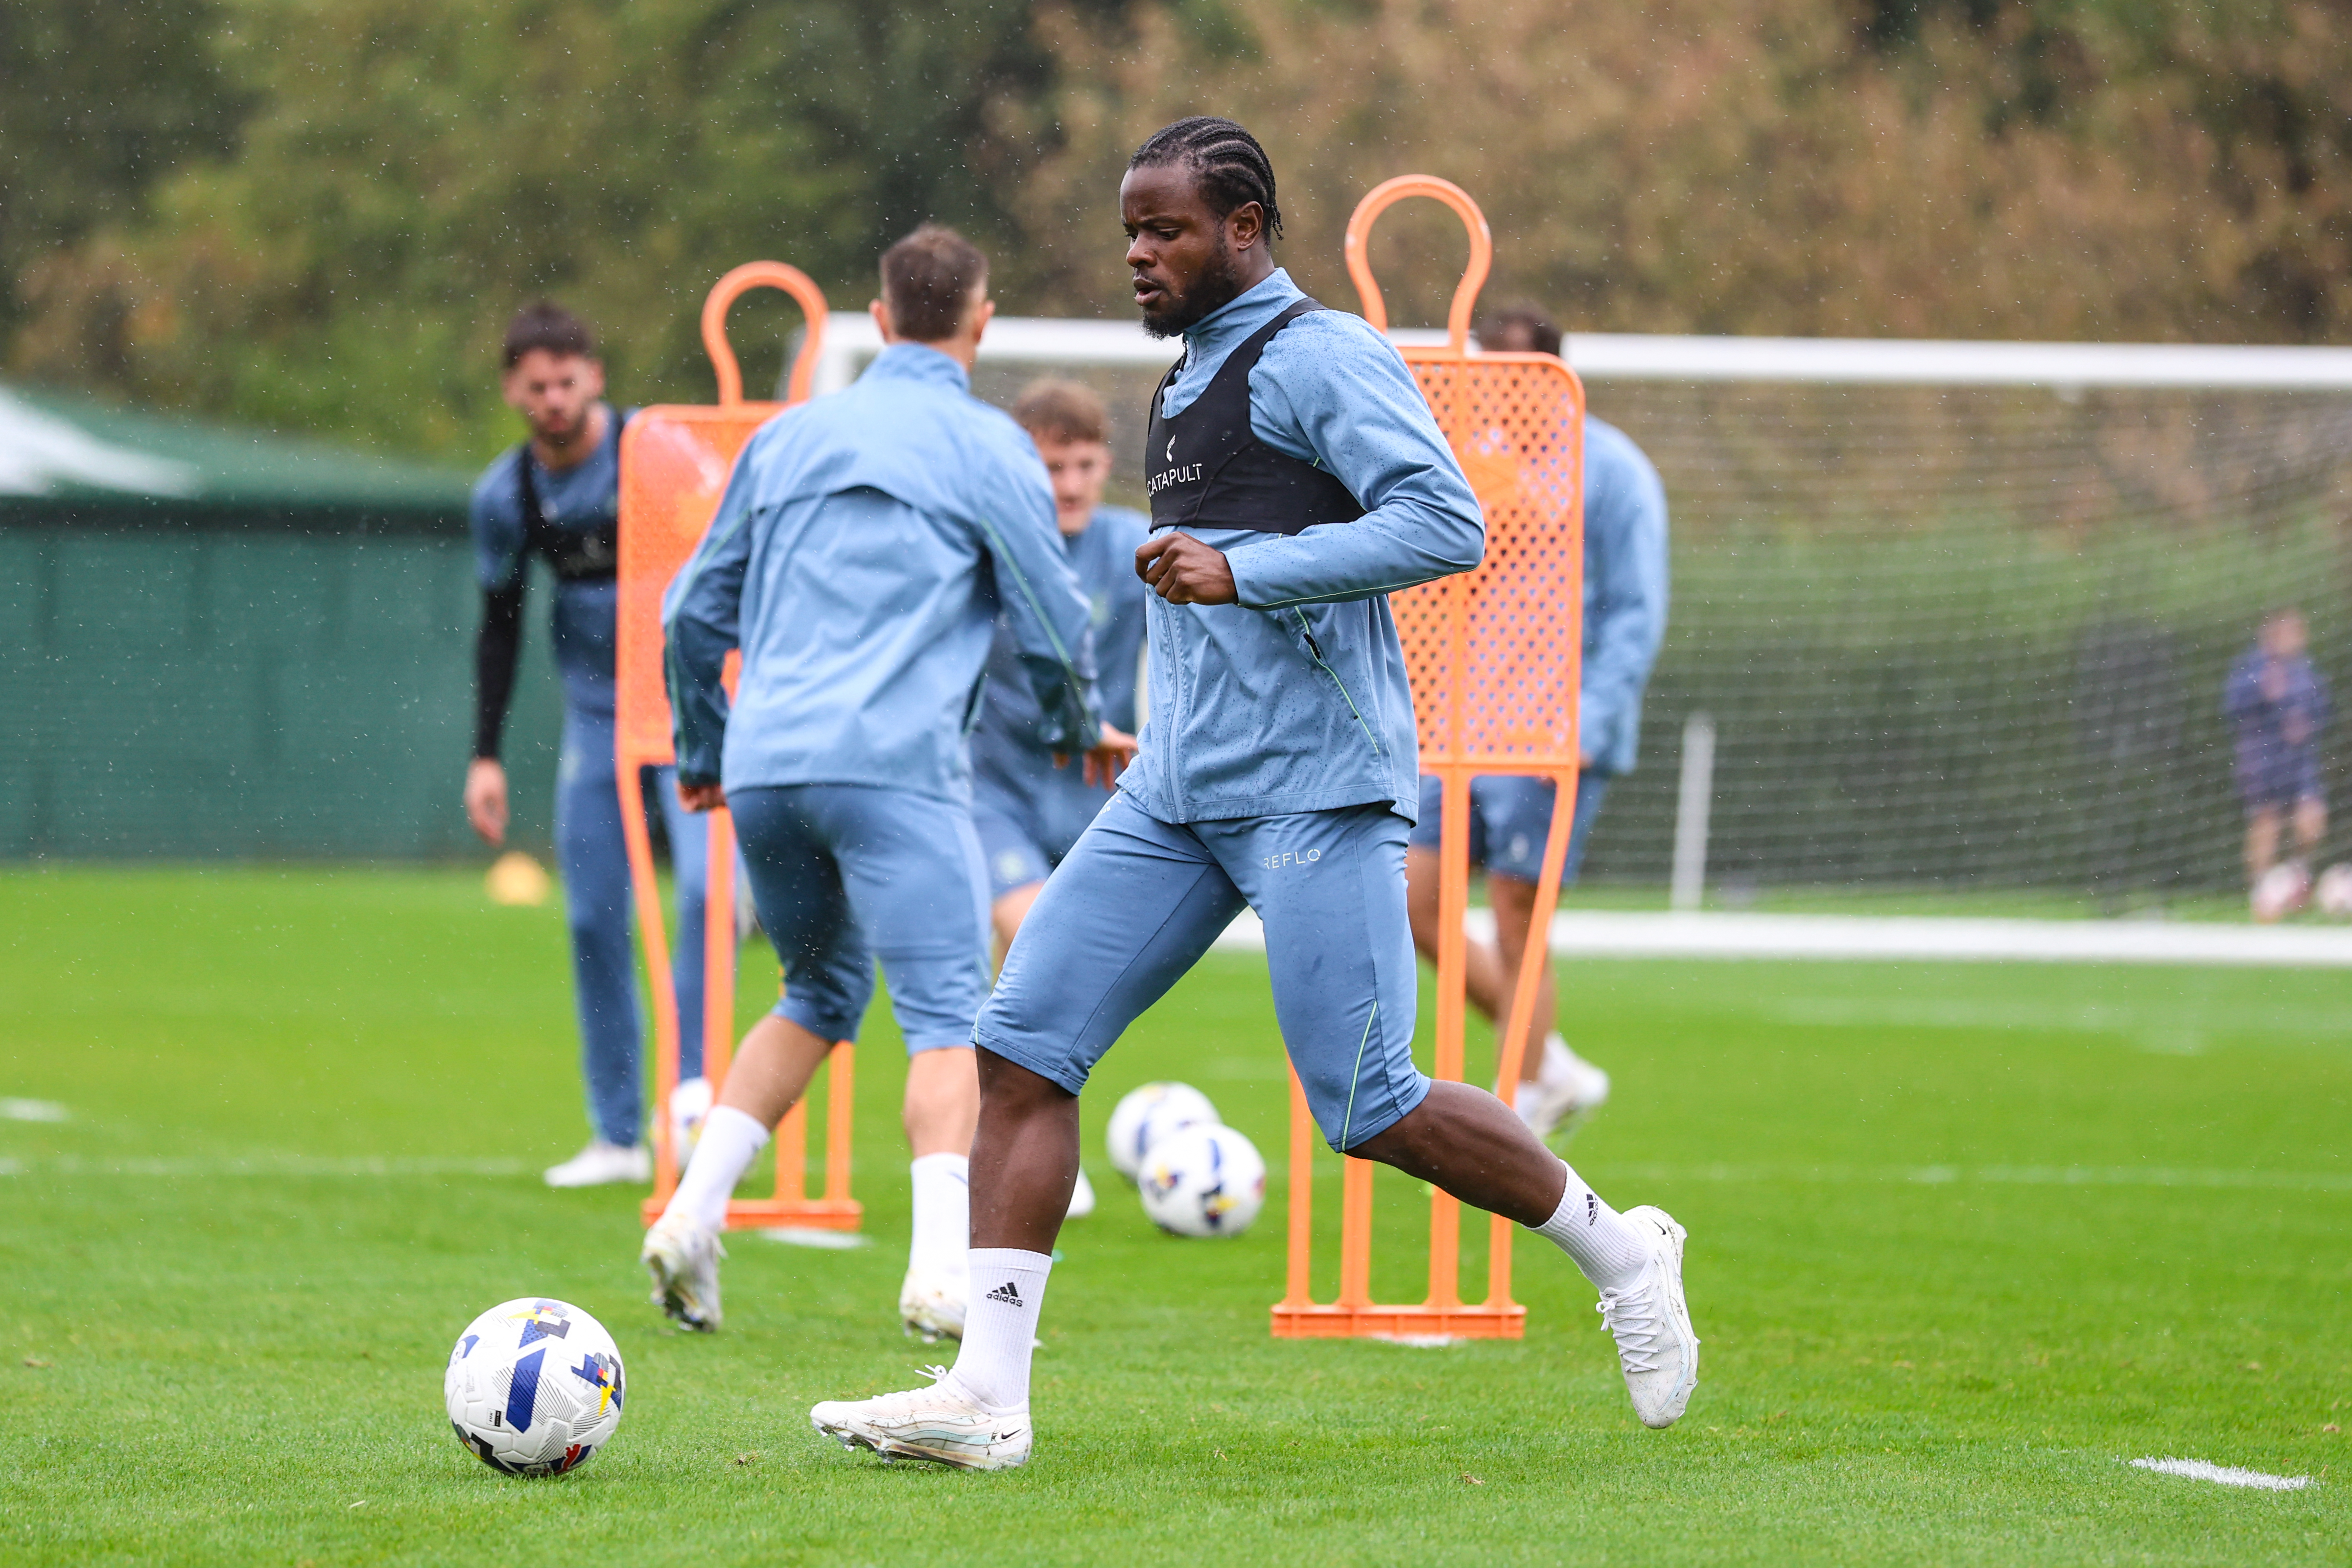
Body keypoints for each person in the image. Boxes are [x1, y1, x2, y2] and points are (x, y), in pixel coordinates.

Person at [810, 117, 1699, 1472]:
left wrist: (1245, 570)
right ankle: (989, 1399)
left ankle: (1622, 1249)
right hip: (1177, 791)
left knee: (1366, 1104)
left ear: (1243, 226)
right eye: (1128, 231)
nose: (1136, 254)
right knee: (1018, 1054)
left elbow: (1445, 521)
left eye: (1161, 229)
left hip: (1315, 794)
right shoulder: (1180, 379)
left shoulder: (1322, 355)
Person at [638, 226, 1131, 1341]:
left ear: (878, 314)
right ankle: (938, 1274)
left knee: (814, 996)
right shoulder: (986, 444)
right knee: (948, 1020)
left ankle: (690, 1211)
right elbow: (1054, 613)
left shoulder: (789, 434)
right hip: (895, 769)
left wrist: (711, 752)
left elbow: (687, 614)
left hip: (768, 766)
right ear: (982, 321)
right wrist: (1074, 725)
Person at [1405, 305, 1669, 1143]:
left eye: (1500, 379)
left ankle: (1516, 1106)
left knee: (1518, 917)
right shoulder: (1474, 470)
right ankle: (1545, 1053)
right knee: (1412, 899)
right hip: (1458, 728)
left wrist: (1588, 721)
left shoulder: (1612, 471)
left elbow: (1635, 609)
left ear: (1545, 377)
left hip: (1551, 736)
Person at [465, 302, 711, 1189]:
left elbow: (727, 552)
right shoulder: (506, 495)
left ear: (595, 377)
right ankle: (616, 1134)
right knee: (590, 917)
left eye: (567, 381)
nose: (554, 400)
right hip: (599, 722)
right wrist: (484, 753)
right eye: (536, 387)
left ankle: (694, 1108)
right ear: (512, 390)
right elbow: (497, 625)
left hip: (690, 713)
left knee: (709, 900)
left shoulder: (659, 451)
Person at [970, 379, 1152, 1222]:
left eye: (1083, 465)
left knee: (1060, 978)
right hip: (993, 788)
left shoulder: (1132, 547)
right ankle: (1022, 1140)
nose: (1069, 484)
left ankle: (1026, 1132)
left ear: (1105, 464)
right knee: (1028, 930)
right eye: (1051, 466)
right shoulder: (993, 550)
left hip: (1091, 797)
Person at [2225, 608, 2331, 911]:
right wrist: (2262, 693)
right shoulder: (2250, 668)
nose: (2299, 638)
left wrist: (2306, 724)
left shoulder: (2305, 669)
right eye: (2292, 631)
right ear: (2273, 634)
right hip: (2262, 758)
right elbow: (2233, 709)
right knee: (2266, 820)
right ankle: (2261, 891)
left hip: (2299, 759)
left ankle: (2296, 878)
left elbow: (2321, 707)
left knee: (2311, 818)